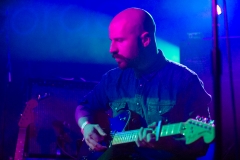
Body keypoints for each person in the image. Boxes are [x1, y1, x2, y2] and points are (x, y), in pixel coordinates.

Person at [75, 7, 212, 160]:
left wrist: (169, 144)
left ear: (145, 40)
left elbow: (201, 144)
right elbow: (84, 106)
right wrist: (86, 127)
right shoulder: (112, 79)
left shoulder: (185, 81)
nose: (111, 49)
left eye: (119, 40)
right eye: (111, 41)